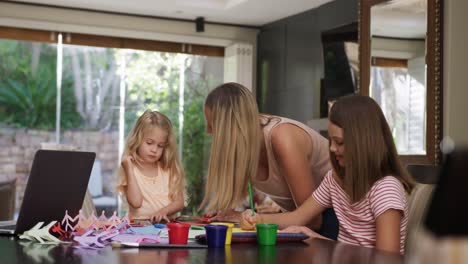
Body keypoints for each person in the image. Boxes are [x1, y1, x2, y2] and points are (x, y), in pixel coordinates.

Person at [242, 95, 415, 254]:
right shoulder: (335, 180)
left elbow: (386, 259)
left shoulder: (386, 189)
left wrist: (318, 238)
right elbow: (299, 216)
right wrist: (257, 219)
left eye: (339, 142)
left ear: (363, 143)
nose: (331, 148)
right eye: (331, 140)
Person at [200, 82, 333, 233]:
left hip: (337, 218)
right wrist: (227, 215)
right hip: (300, 222)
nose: (208, 131)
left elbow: (313, 221)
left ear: (230, 127)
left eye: (212, 125)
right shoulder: (243, 150)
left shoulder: (283, 138)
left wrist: (247, 218)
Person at [117, 110, 186, 222]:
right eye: (149, 143)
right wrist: (128, 169)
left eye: (160, 146)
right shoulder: (131, 169)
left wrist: (164, 211)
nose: (154, 150)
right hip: (139, 228)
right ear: (137, 140)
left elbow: (179, 202)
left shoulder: (168, 170)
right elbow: (136, 203)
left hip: (167, 227)